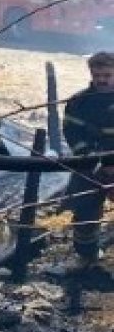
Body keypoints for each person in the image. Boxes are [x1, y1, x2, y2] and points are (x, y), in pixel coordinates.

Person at [61, 51, 114, 270]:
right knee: (84, 212)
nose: (101, 79)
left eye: (107, 74)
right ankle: (86, 257)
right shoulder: (79, 102)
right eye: (97, 74)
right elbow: (72, 132)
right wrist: (90, 159)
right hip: (89, 167)